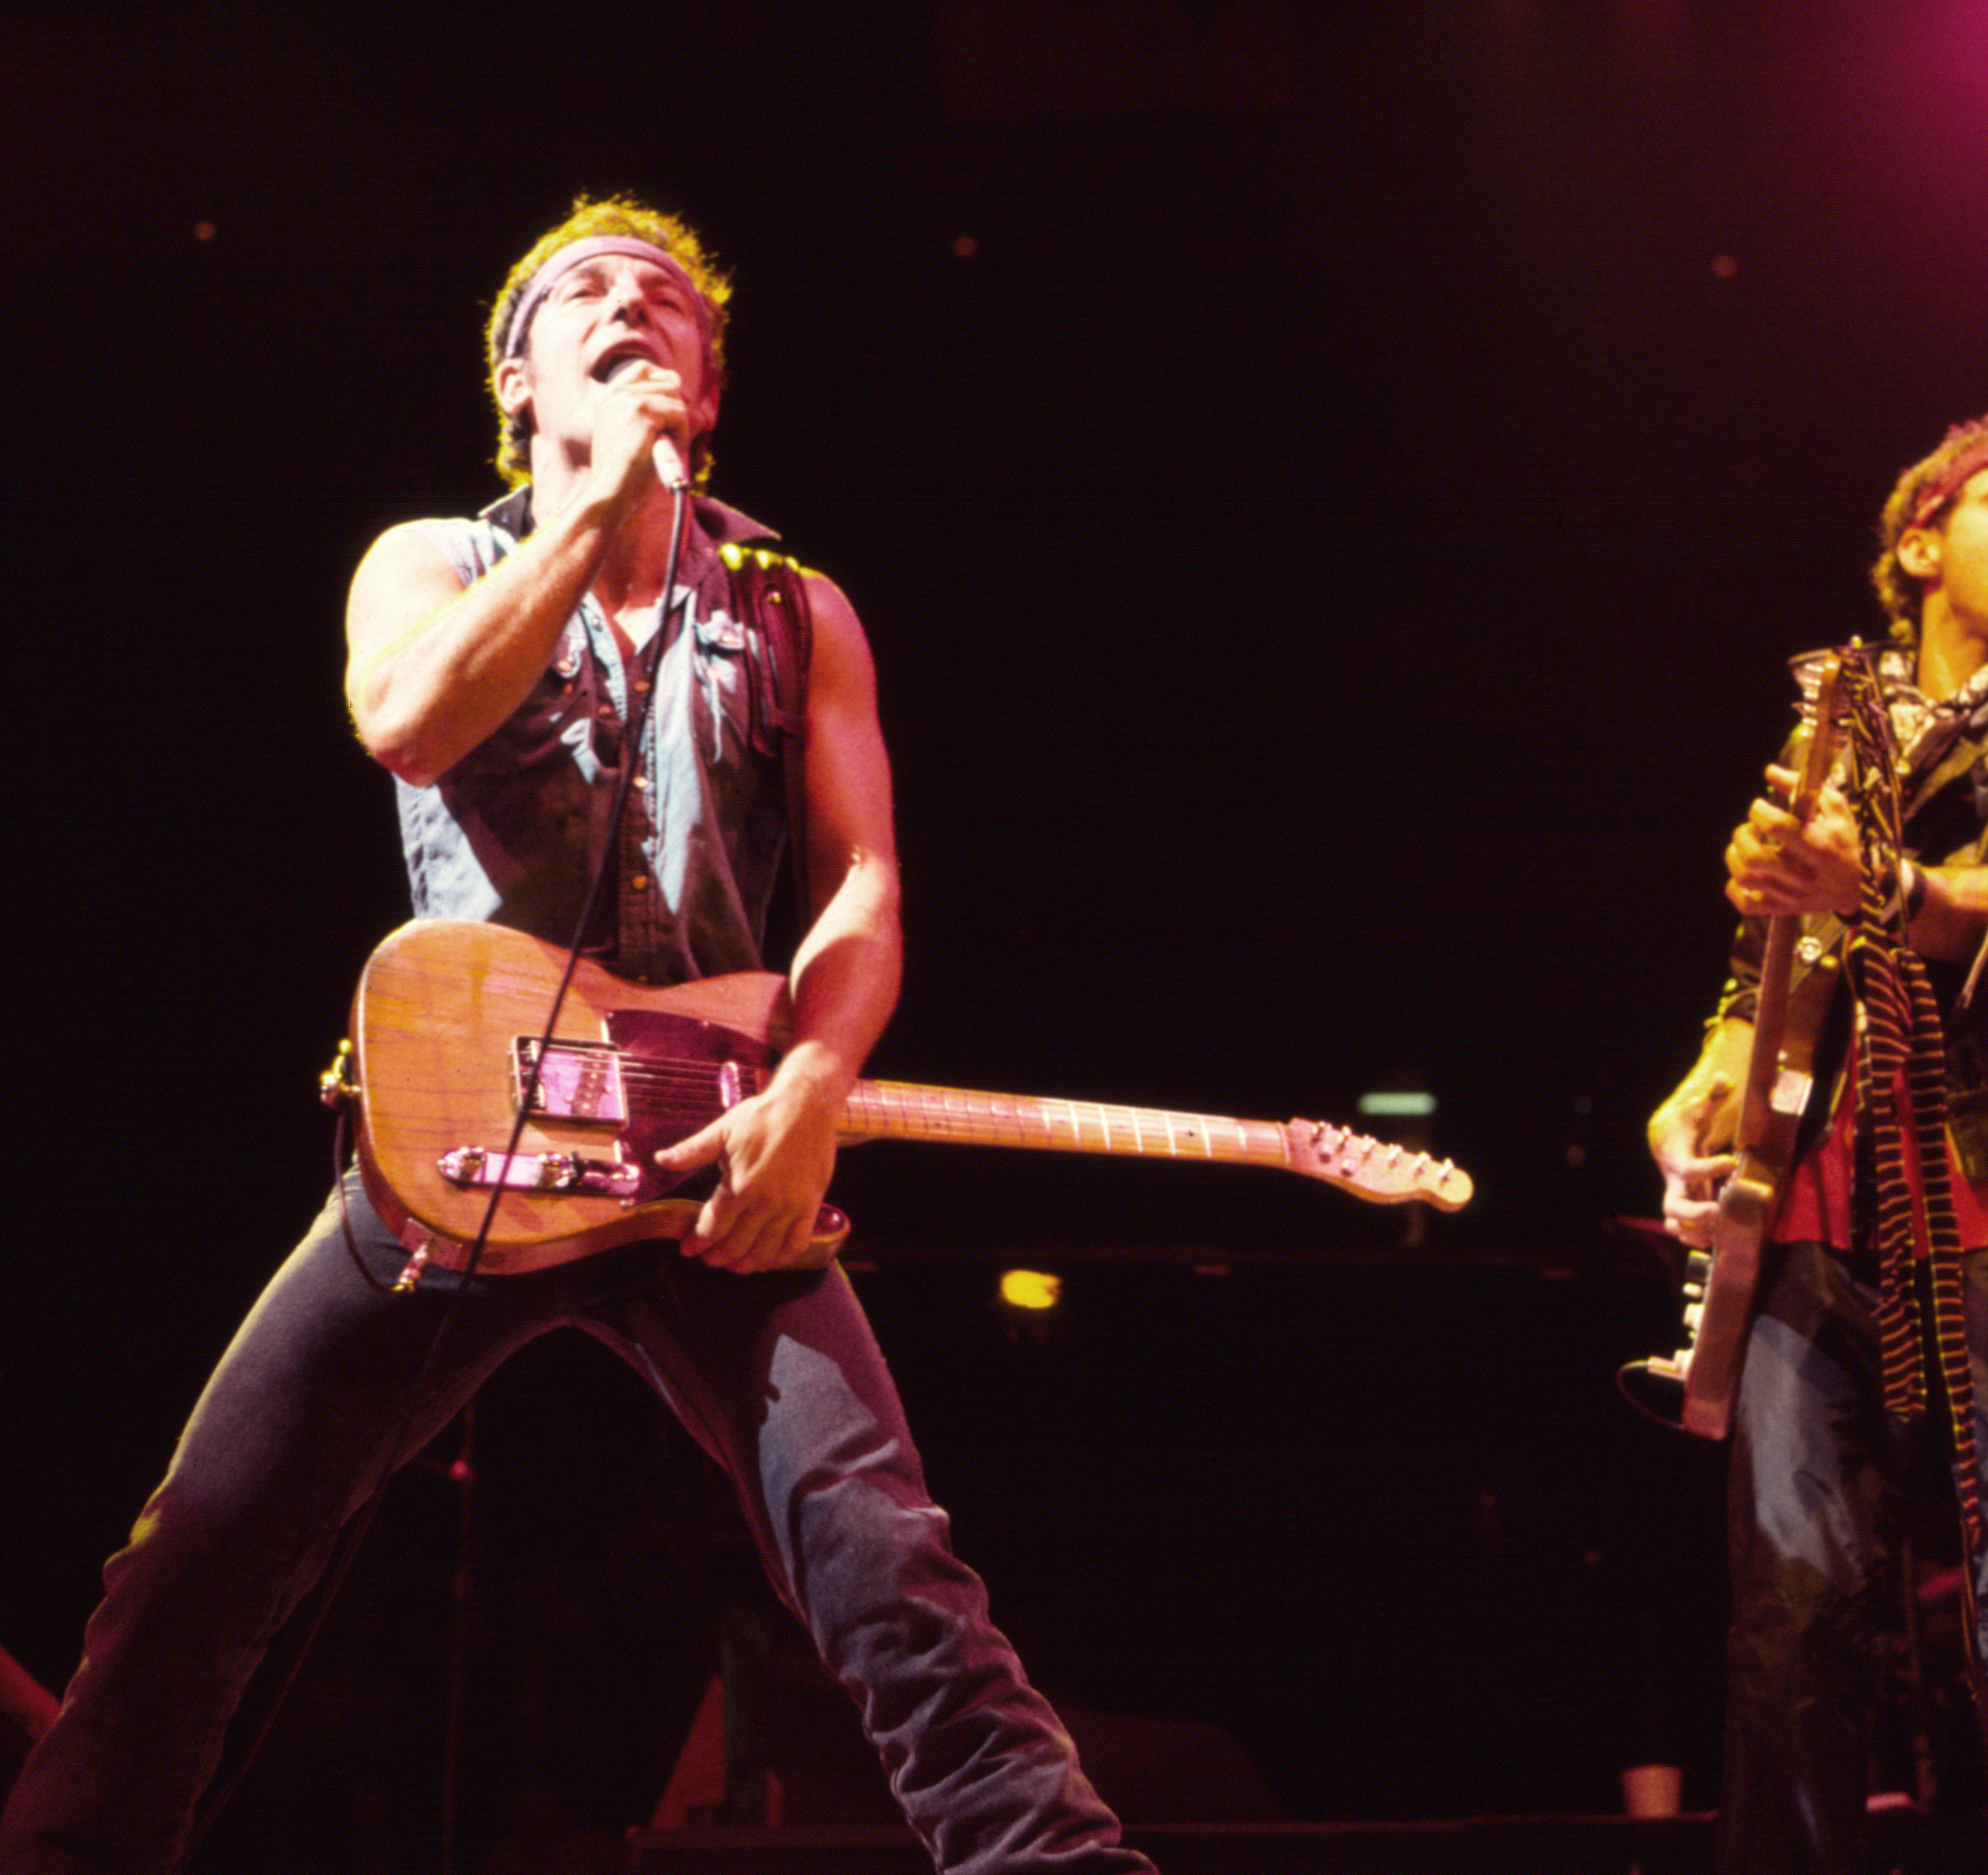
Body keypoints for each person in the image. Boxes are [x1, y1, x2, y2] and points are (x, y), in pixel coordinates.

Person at [0, 197, 1155, 1875]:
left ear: (709, 378)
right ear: (519, 376)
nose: (634, 307)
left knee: (890, 1565)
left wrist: (814, 1091)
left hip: (711, 1158)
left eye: (671, 302)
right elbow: (404, 723)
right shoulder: (431, 560)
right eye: (586, 294)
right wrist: (595, 509)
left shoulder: (797, 609)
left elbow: (861, 889)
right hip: (463, 1151)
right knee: (199, 1565)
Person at [1648, 408, 1988, 1873]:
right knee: (1789, 1624)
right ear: (1919, 545)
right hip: (1817, 1217)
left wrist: (1875, 880)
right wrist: (1704, 1074)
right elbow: (1764, 971)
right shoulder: (1836, 714)